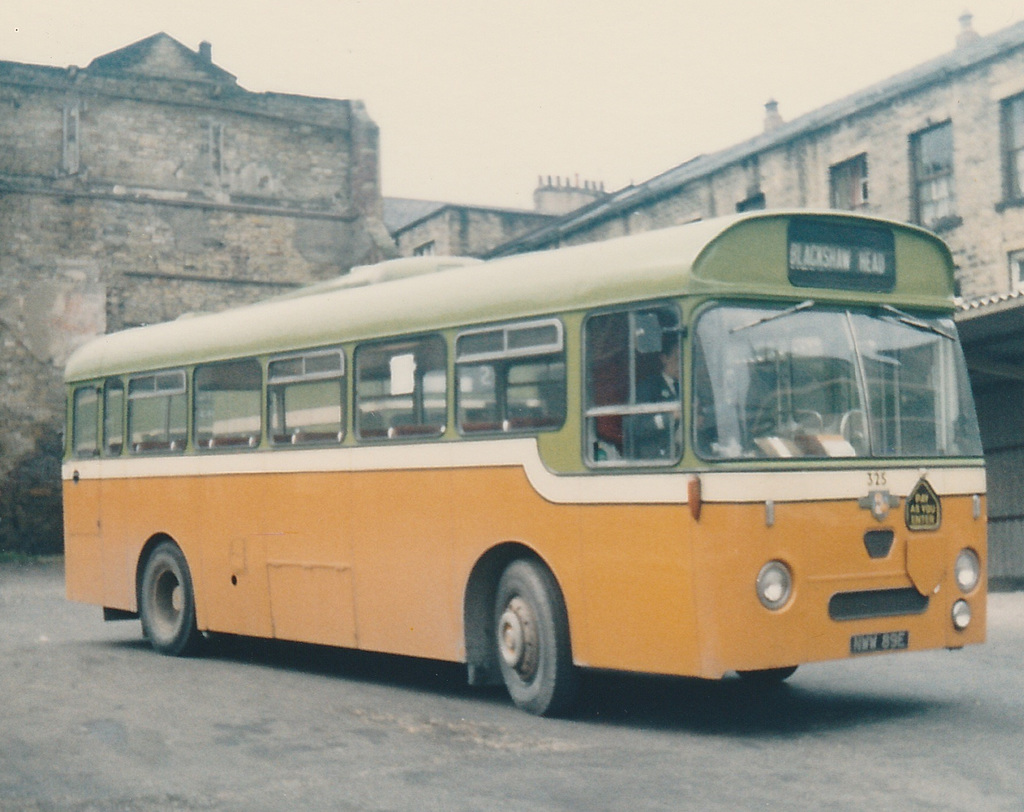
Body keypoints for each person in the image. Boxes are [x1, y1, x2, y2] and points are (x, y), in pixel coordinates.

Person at [627, 333, 681, 460]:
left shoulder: (682, 388)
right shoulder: (648, 387)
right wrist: (670, 418)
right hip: (657, 458)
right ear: (664, 358)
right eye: (677, 359)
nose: (681, 365)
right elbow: (637, 427)